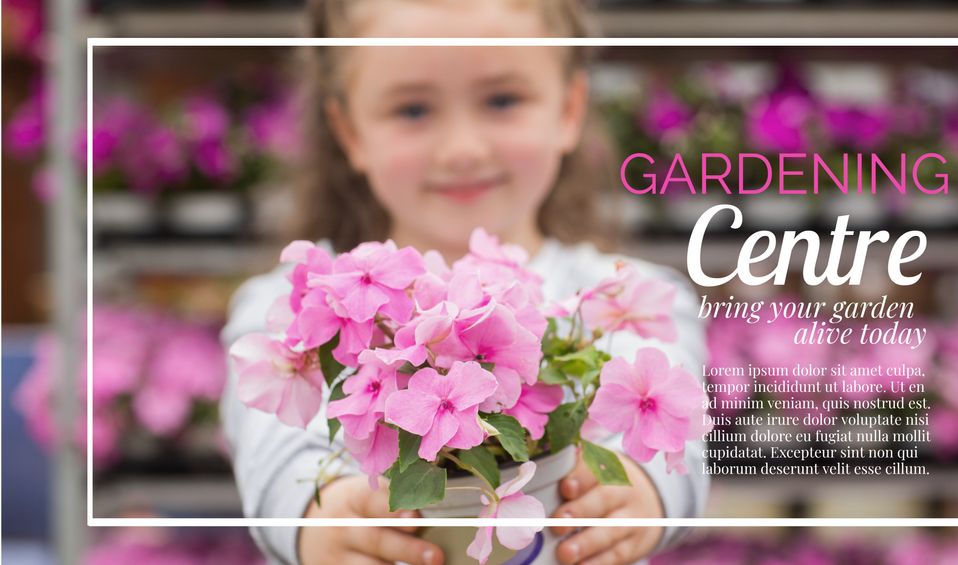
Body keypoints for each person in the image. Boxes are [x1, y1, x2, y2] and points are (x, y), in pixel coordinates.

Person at [219, 1, 708, 564]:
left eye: (502, 100)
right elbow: (273, 449)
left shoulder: (622, 294)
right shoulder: (303, 301)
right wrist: (312, 517)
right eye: (412, 109)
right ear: (348, 131)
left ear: (569, 110)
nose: (462, 149)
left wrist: (643, 493)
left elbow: (680, 436)